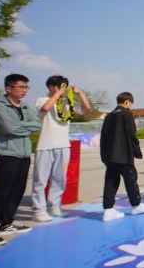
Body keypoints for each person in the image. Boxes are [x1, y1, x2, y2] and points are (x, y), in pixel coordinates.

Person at [0, 74, 41, 247]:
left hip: (23, 155)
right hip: (5, 154)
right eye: (21, 87)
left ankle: (7, 222)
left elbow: (37, 124)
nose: (24, 90)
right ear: (9, 88)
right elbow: (8, 128)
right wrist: (24, 128)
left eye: (26, 87)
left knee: (16, 190)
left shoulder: (25, 107)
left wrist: (21, 128)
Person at [31, 75, 91, 222]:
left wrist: (79, 93)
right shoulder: (42, 99)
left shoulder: (67, 103)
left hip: (63, 145)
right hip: (45, 145)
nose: (64, 90)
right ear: (52, 87)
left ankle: (54, 206)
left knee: (59, 179)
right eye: (61, 87)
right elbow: (45, 108)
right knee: (40, 179)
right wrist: (58, 94)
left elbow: (86, 108)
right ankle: (39, 210)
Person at [100, 92, 144, 221]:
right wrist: (137, 151)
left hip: (110, 156)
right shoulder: (127, 114)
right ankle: (136, 205)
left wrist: (104, 156)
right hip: (124, 155)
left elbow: (103, 137)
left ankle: (108, 210)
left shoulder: (109, 116)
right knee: (131, 180)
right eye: (131, 103)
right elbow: (131, 135)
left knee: (111, 182)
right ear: (128, 102)